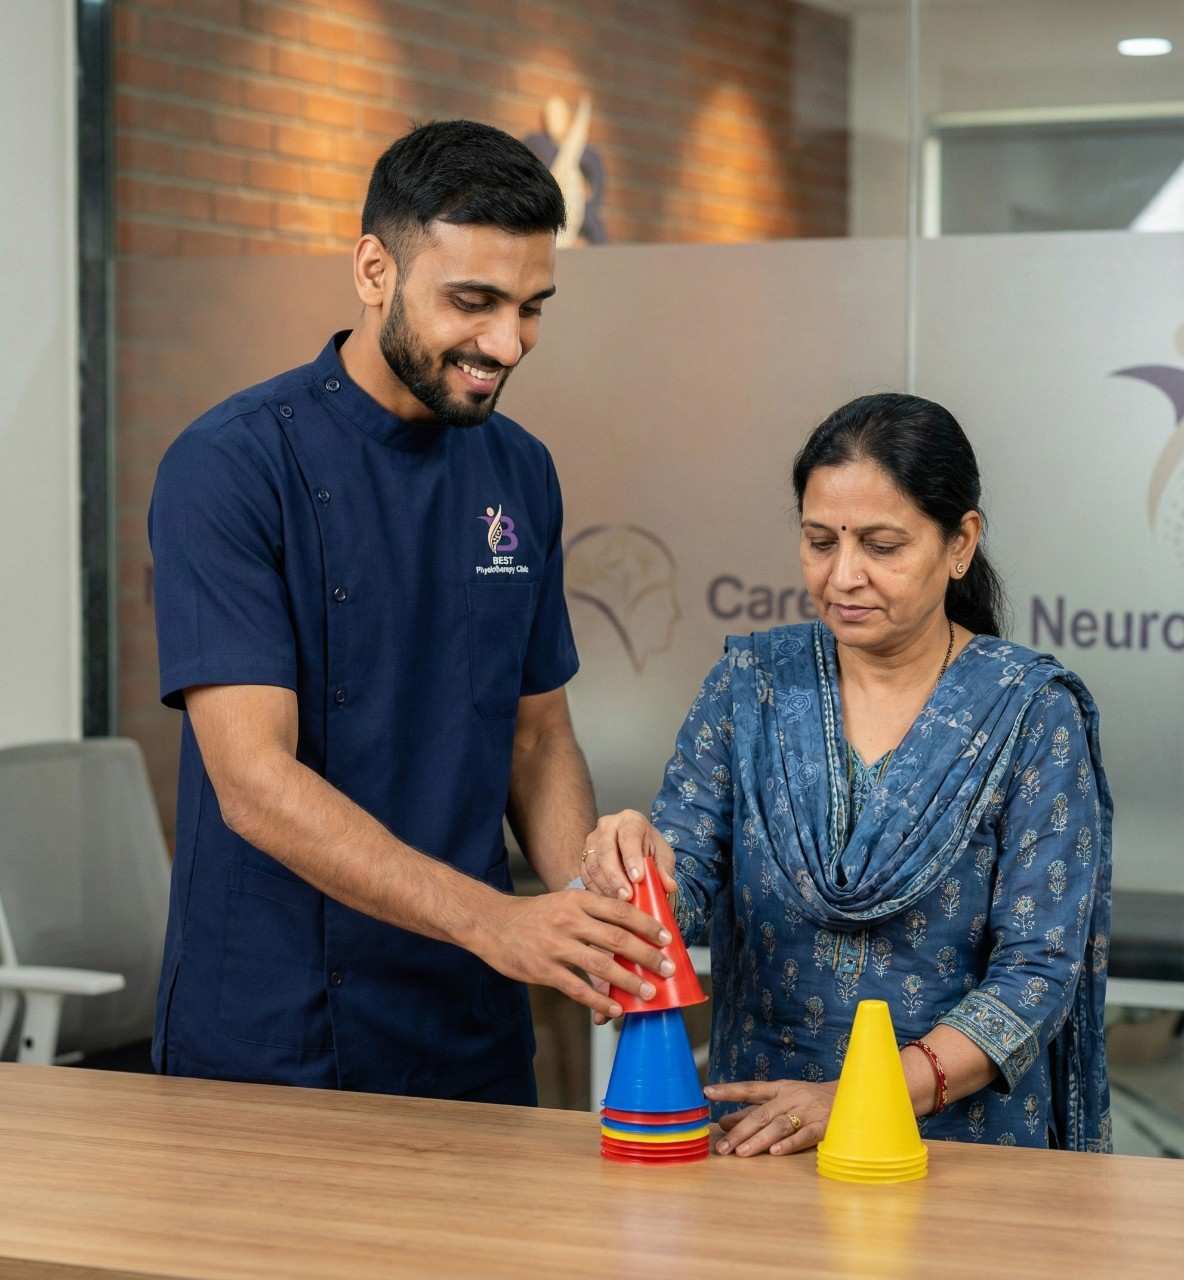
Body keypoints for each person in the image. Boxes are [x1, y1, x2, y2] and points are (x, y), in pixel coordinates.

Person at [147, 120, 674, 1105]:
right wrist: (497, 920)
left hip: (470, 1027)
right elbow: (254, 781)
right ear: (373, 268)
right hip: (274, 1039)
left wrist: (591, 917)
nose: (505, 343)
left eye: (530, 307)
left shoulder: (518, 467)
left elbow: (536, 739)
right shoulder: (230, 467)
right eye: (471, 301)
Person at [581, 393, 1113, 1152]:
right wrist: (637, 867)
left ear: (960, 543)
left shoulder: (1029, 712)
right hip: (758, 1137)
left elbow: (1038, 974)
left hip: (956, 1151)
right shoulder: (753, 686)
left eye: (882, 545)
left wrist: (861, 1097)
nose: (844, 575)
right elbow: (683, 888)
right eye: (820, 541)